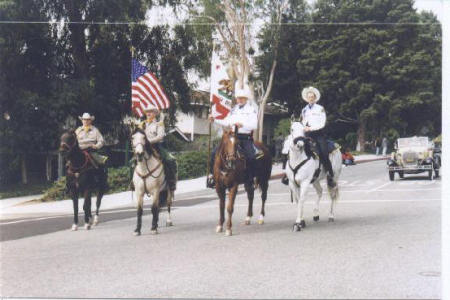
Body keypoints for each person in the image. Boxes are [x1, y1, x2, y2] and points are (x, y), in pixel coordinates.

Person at [207, 85, 261, 188]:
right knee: (215, 152)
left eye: (242, 98)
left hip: (244, 138)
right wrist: (214, 119)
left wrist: (243, 125)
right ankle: (212, 176)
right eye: (238, 98)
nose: (239, 100)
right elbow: (227, 122)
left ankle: (251, 179)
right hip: (232, 137)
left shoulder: (251, 110)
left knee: (251, 156)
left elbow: (254, 125)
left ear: (246, 99)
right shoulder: (234, 109)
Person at [300, 86, 336, 188]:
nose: (310, 98)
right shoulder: (304, 110)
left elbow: (322, 123)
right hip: (307, 134)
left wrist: (310, 128)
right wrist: (304, 127)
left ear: (315, 98)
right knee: (295, 148)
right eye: (309, 97)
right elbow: (303, 122)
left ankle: (330, 175)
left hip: (318, 134)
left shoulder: (320, 109)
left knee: (324, 153)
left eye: (312, 97)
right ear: (306, 98)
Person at [141, 105, 177, 191]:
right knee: (133, 162)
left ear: (155, 113)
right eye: (147, 111)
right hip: (143, 147)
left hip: (156, 146)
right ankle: (134, 183)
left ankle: (171, 182)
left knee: (170, 160)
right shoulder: (142, 124)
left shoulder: (159, 124)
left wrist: (149, 141)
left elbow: (160, 136)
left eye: (151, 111)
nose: (148, 113)